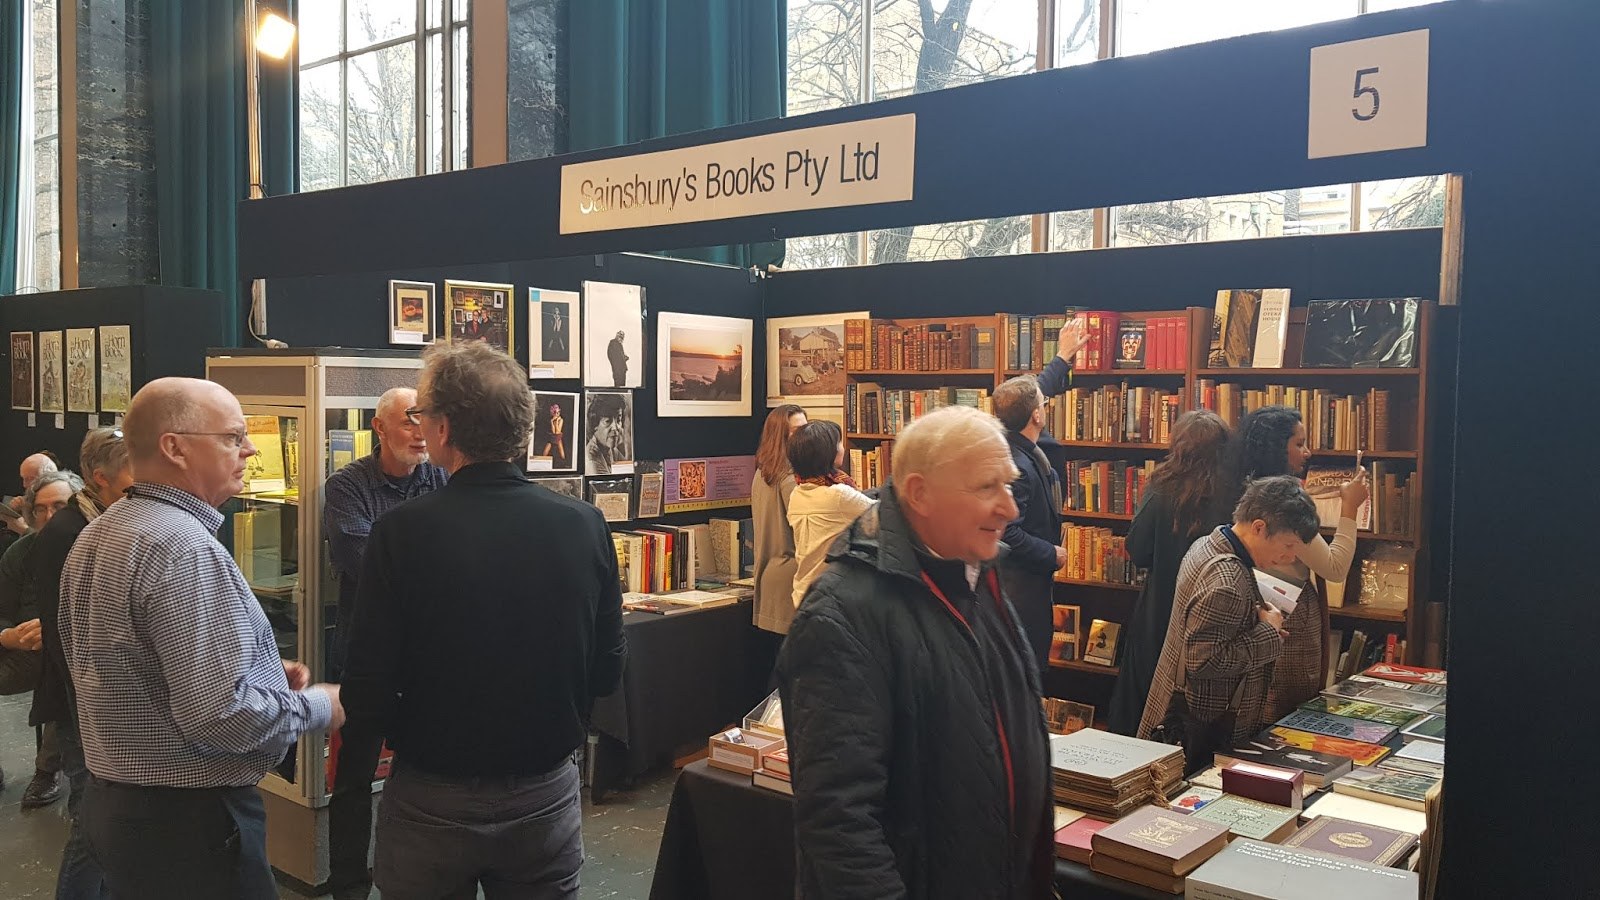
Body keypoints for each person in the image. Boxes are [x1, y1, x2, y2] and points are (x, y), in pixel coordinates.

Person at [342, 342, 626, 900]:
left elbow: (368, 680)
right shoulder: (584, 524)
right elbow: (608, 667)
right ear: (522, 430)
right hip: (545, 787)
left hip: (430, 791)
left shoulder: (400, 533)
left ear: (443, 429)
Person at [59, 377, 343, 899]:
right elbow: (221, 719)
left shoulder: (103, 530)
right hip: (190, 826)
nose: (252, 447)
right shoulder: (182, 548)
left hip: (120, 808)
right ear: (176, 447)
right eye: (234, 436)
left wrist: (260, 675)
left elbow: (125, 666)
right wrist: (321, 706)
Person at [776, 406, 1052, 900]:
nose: (1010, 509)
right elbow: (840, 823)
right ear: (920, 494)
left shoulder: (977, 575)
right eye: (987, 487)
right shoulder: (843, 615)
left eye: (1008, 485)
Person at [322, 386, 448, 900]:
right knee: (353, 777)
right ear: (379, 428)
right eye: (407, 421)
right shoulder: (347, 486)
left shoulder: (442, 476)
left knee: (429, 766)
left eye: (425, 421)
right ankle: (348, 882)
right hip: (366, 654)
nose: (419, 433)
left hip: (427, 655)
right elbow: (360, 563)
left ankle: (425, 873)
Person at [1137, 475, 1320, 772]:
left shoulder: (1206, 545)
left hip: (1173, 709)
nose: (1290, 556)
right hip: (1202, 724)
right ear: (1259, 527)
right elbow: (1205, 661)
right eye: (1288, 545)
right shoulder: (1228, 580)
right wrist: (1268, 633)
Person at [30, 427, 133, 899]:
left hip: (88, 700)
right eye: (133, 470)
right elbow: (68, 634)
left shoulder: (93, 524)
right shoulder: (70, 534)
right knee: (91, 827)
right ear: (100, 478)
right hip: (80, 703)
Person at [1223, 406, 1368, 718]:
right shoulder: (1279, 504)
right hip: (1288, 616)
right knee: (1289, 713)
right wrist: (1350, 507)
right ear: (1277, 449)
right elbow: (1335, 567)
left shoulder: (1241, 487)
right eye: (1299, 444)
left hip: (1261, 612)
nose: (1308, 452)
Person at [1106, 410, 1232, 734]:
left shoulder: (1163, 485)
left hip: (1160, 608)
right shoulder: (1233, 491)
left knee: (1146, 696)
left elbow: (1137, 547)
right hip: (1216, 612)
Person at [0, 468, 79, 807]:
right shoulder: (20, 552)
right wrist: (8, 636)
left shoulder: (89, 547)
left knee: (65, 674)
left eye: (60, 507)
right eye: (41, 509)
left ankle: (47, 771)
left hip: (68, 649)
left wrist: (58, 631)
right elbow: (3, 606)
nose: (49, 517)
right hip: (22, 647)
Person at [992, 375, 1067, 670]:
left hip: (1023, 587)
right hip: (1020, 590)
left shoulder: (1021, 451)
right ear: (1036, 415)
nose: (1045, 408)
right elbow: (1006, 530)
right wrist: (1051, 553)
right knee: (1025, 670)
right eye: (1043, 403)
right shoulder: (1019, 464)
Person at [786, 420, 875, 608]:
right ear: (828, 453)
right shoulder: (838, 495)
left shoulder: (798, 493)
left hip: (803, 591)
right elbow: (883, 512)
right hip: (829, 595)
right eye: (839, 443)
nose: (843, 447)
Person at [750, 404, 807, 635]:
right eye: (797, 431)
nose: (804, 437)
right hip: (790, 580)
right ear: (780, 436)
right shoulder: (790, 478)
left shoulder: (763, 472)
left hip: (769, 577)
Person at [585, 393, 629, 475]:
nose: (616, 427)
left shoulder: (611, 450)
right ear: (595, 425)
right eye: (607, 421)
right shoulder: (592, 461)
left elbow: (629, 470)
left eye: (618, 420)